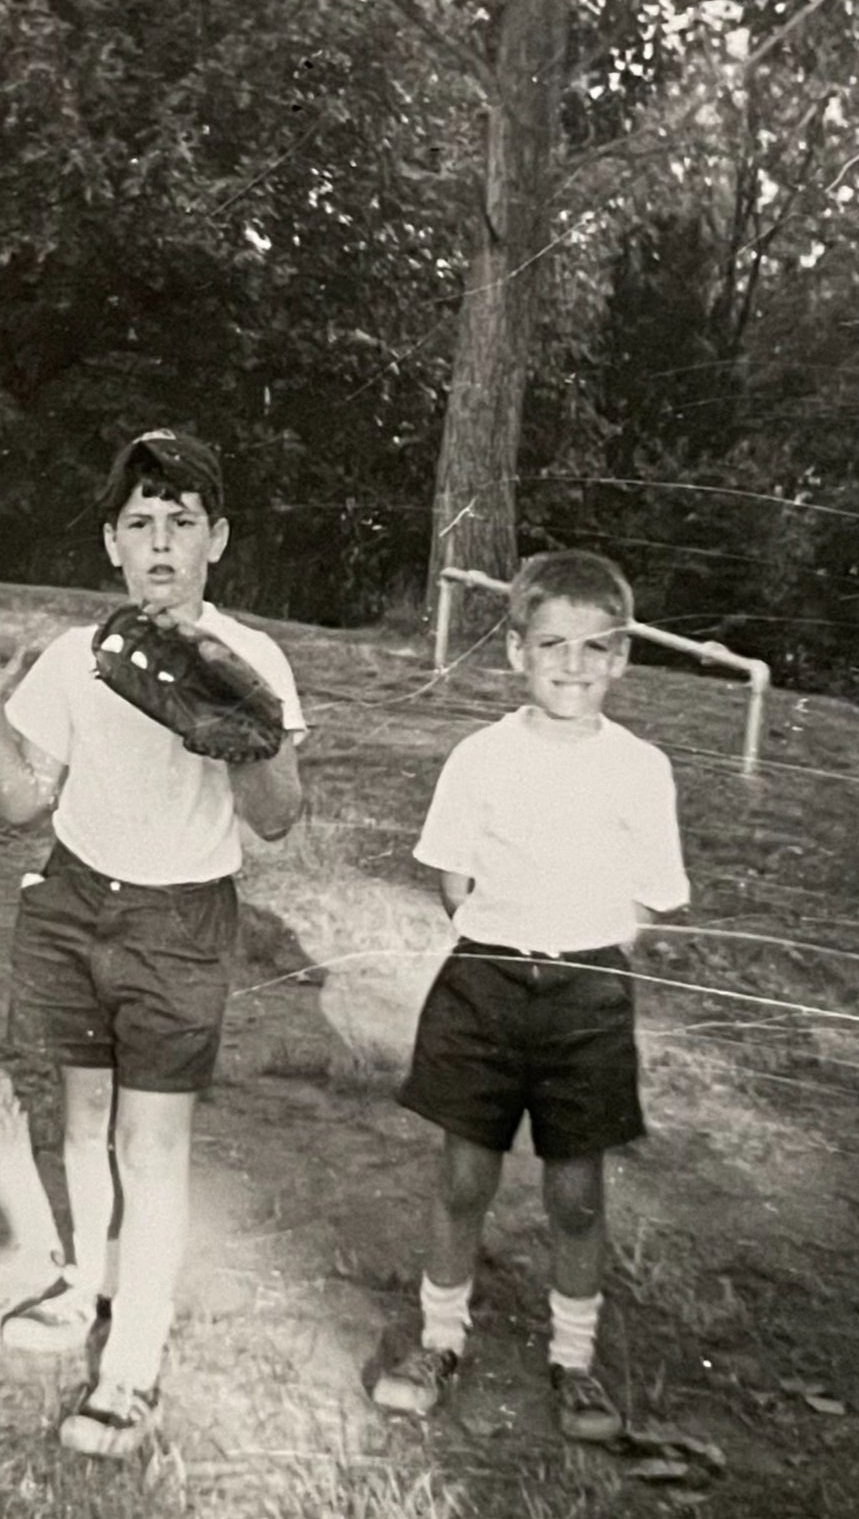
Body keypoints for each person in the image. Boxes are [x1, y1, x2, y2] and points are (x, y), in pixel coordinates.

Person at [0, 427, 307, 1458]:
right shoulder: (77, 653)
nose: (159, 543)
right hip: (69, 899)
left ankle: (133, 1361)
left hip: (179, 916)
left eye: (180, 522)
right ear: (111, 542)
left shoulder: (253, 657)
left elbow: (276, 817)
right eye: (139, 523)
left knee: (153, 1145)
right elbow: (19, 800)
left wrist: (247, 727)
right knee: (81, 1116)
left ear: (216, 538)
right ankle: (84, 1282)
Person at [370, 549, 689, 1442]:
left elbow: (644, 897)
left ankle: (574, 1360)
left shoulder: (641, 768)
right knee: (464, 1173)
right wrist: (509, 939)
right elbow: (453, 880)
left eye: (595, 649)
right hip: (484, 984)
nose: (573, 666)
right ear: (516, 651)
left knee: (576, 1191)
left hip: (586, 994)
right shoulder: (481, 756)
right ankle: (439, 1339)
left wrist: (579, 945)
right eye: (553, 644)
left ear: (623, 659)